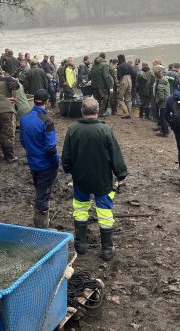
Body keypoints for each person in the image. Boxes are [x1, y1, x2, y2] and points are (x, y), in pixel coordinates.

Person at [62, 97, 128, 261]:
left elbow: (66, 156)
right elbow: (115, 155)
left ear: (82, 111)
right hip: (102, 179)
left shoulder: (73, 130)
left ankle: (80, 244)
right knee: (105, 211)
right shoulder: (105, 130)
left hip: (80, 178)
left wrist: (69, 170)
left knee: (80, 208)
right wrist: (121, 174)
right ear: (97, 112)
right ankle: (107, 249)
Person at [20, 89, 59, 228]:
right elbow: (51, 148)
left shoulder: (24, 118)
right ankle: (42, 227)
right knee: (43, 195)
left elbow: (23, 141)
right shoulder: (46, 121)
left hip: (33, 163)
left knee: (39, 190)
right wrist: (56, 162)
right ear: (46, 102)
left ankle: (42, 221)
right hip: (46, 166)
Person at [89, 53, 113, 117]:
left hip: (94, 86)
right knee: (104, 98)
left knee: (97, 99)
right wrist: (109, 86)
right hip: (102, 86)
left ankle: (96, 112)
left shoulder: (93, 65)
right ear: (104, 58)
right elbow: (106, 76)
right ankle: (101, 112)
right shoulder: (104, 65)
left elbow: (90, 74)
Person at [152, 65, 170, 137]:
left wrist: (157, 101)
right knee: (163, 117)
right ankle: (163, 130)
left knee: (162, 117)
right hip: (166, 101)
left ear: (156, 76)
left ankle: (165, 132)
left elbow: (161, 97)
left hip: (163, 103)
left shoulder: (160, 85)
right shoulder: (164, 79)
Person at [116, 54, 134, 119]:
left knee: (120, 98)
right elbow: (133, 74)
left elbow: (118, 77)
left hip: (123, 81)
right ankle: (129, 113)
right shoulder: (130, 66)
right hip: (130, 80)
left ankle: (126, 112)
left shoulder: (119, 66)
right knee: (128, 98)